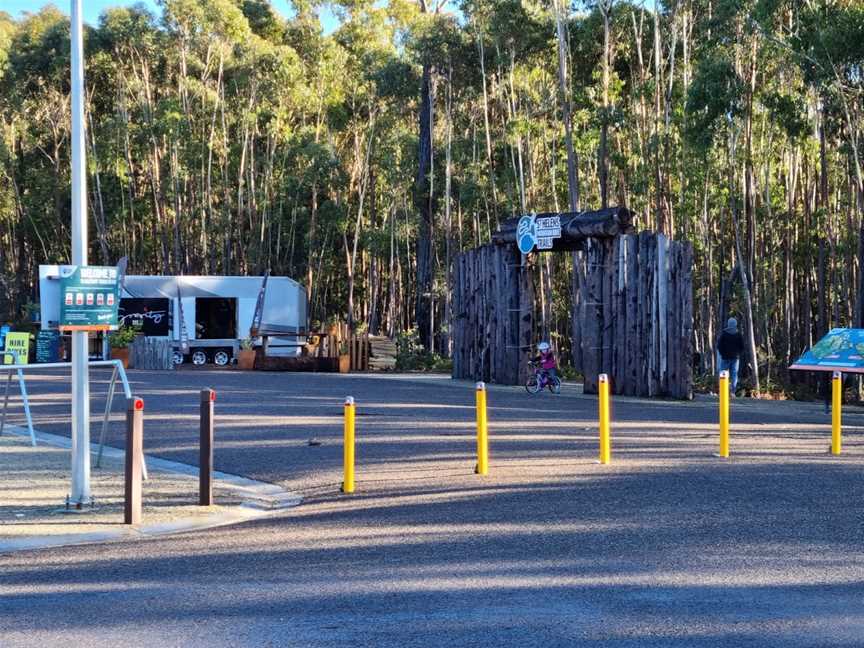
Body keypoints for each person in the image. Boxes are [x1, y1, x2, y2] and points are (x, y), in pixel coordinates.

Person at [717, 317, 744, 394]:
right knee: (734, 375)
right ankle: (733, 392)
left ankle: (723, 391)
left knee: (723, 374)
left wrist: (723, 354)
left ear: (728, 324)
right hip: (735, 358)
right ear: (736, 324)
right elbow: (742, 347)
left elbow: (719, 346)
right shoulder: (738, 334)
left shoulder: (724, 334)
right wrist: (738, 354)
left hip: (725, 358)